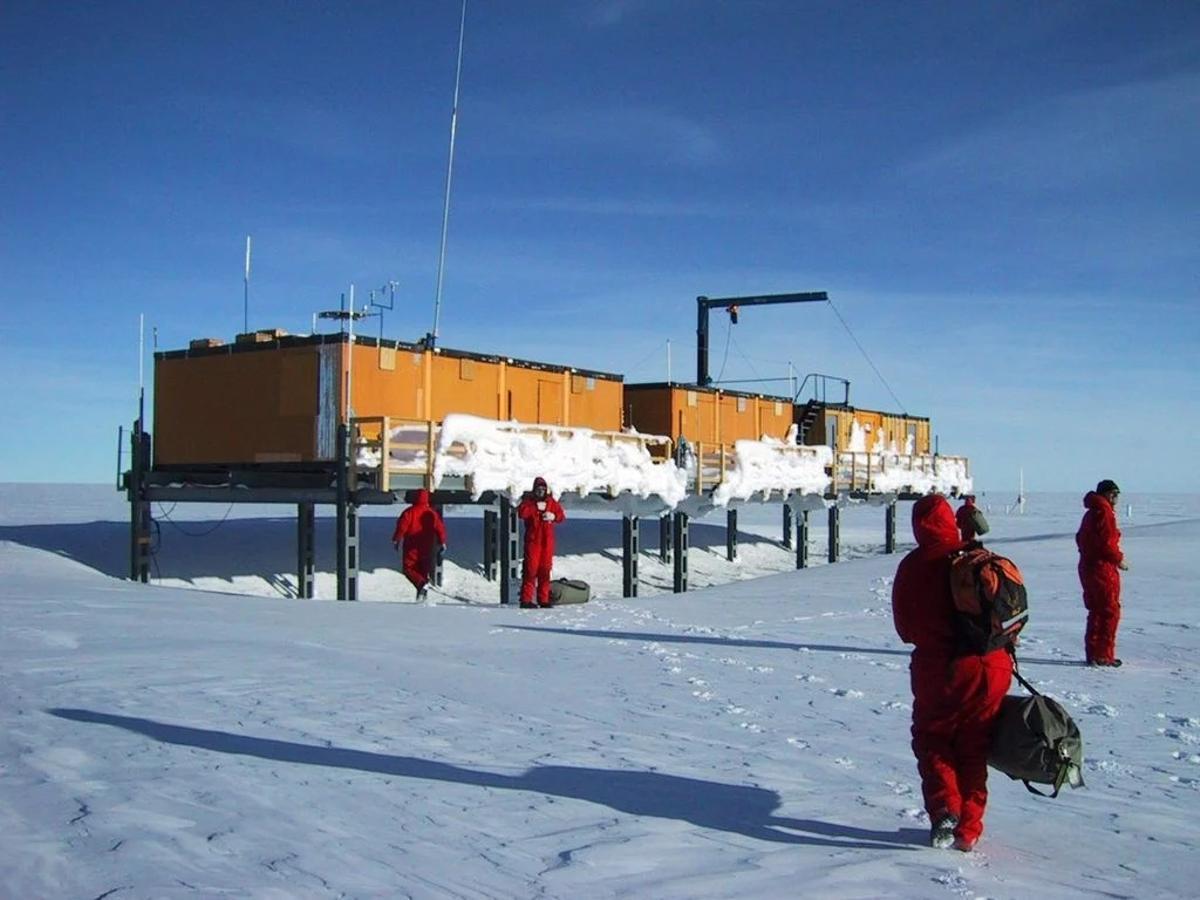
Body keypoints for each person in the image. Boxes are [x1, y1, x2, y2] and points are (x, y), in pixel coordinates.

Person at [892, 494, 1012, 853]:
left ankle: (945, 807)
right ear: (951, 520)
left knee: (933, 738)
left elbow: (905, 630)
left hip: (940, 671)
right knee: (974, 745)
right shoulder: (973, 556)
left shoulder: (913, 566)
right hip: (990, 666)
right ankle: (969, 829)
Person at [1076, 479, 1128, 667]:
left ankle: (1094, 653)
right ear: (1104, 494)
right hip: (1101, 568)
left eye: (1117, 494)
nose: (1115, 497)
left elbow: (1081, 538)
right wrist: (1118, 559)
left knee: (1097, 610)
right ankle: (1103, 655)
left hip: (1089, 565)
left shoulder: (1092, 512)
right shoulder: (1103, 512)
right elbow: (1107, 543)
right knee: (1108, 610)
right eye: (1112, 493)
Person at [517, 476, 566, 608]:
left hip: (547, 542)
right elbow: (521, 513)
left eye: (543, 489)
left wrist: (553, 516)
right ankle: (526, 599)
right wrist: (535, 507)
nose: (541, 492)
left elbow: (561, 516)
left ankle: (543, 599)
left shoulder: (551, 502)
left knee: (545, 570)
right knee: (530, 570)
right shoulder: (529, 501)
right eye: (538, 489)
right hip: (533, 542)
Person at [391, 489, 447, 601]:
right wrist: (442, 542)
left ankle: (421, 585)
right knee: (423, 570)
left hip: (411, 546)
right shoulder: (432, 513)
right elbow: (440, 529)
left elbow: (402, 527)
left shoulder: (409, 512)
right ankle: (422, 595)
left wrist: (396, 539)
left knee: (408, 568)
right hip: (427, 547)